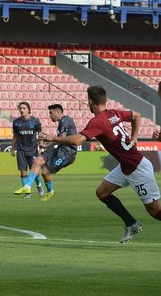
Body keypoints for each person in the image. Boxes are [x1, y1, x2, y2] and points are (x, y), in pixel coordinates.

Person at [40, 85, 161, 243]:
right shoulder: (114, 113)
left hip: (137, 168)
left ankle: (132, 223)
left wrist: (53, 138)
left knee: (155, 212)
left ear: (90, 101)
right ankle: (131, 224)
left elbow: (77, 140)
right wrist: (134, 137)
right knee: (102, 192)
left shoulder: (98, 121)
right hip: (127, 166)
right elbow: (136, 116)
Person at [14, 103, 77, 201]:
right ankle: (27, 186)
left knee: (45, 172)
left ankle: (50, 191)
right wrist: (47, 145)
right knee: (37, 161)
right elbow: (59, 139)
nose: (50, 115)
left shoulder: (65, 120)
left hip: (68, 153)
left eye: (51, 113)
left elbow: (62, 139)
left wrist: (49, 138)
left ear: (57, 112)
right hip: (60, 148)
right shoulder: (62, 122)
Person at [10, 102, 43, 197]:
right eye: (20, 108)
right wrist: (12, 148)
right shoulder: (16, 122)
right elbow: (15, 136)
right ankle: (27, 192)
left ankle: (39, 185)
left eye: (24, 108)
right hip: (21, 150)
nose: (22, 110)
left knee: (34, 171)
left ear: (28, 109)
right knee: (23, 171)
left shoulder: (35, 121)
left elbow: (40, 135)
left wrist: (40, 146)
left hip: (32, 150)